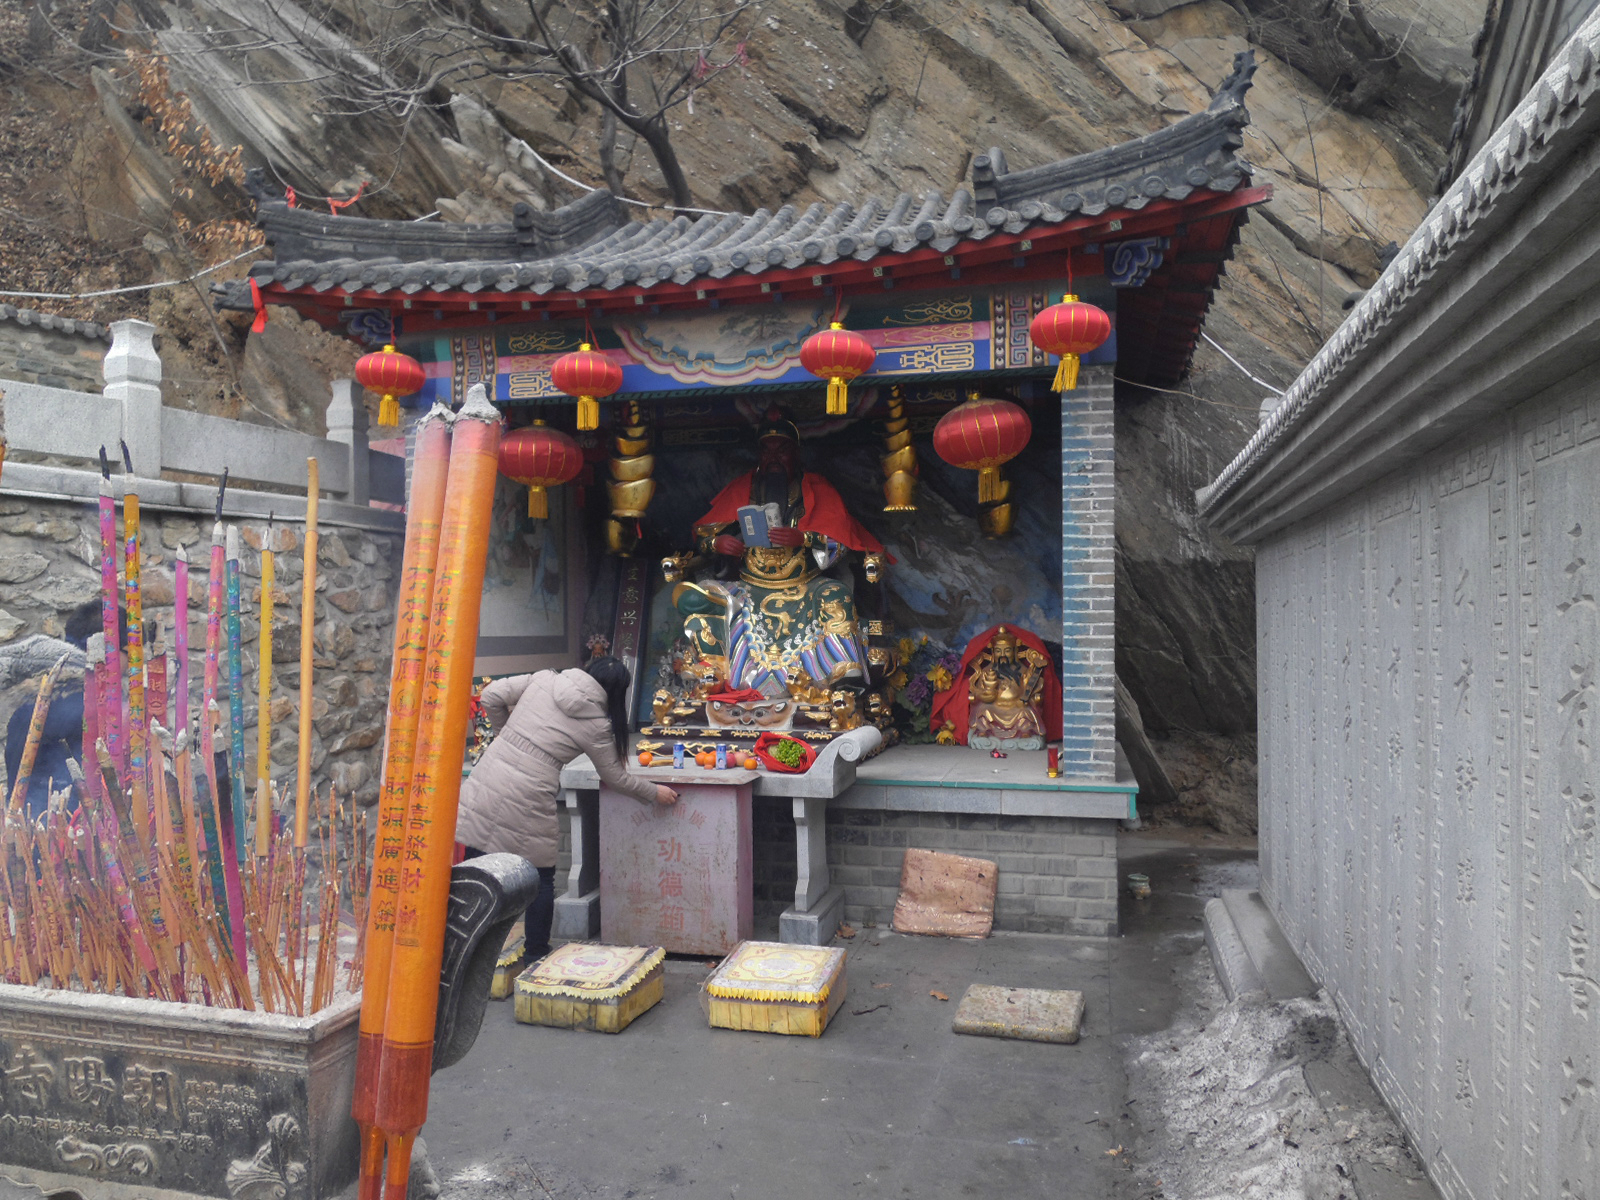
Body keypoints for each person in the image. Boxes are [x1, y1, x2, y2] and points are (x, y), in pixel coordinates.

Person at [454, 655, 677, 964]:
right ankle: (535, 956)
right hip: (529, 796)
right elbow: (615, 778)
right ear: (615, 692)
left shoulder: (544, 678)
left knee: (475, 868)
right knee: (540, 878)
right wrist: (655, 792)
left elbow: (491, 695)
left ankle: (459, 949)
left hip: (487, 779)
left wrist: (506, 735)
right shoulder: (596, 723)